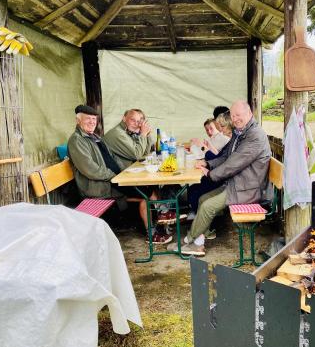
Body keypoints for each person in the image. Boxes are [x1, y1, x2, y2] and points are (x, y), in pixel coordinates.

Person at [172, 100, 272, 256]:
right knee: (202, 199)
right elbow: (225, 155)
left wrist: (210, 175)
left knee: (207, 206)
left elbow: (233, 164)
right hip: (237, 184)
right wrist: (206, 162)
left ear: (249, 113)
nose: (235, 119)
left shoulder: (255, 136)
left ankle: (189, 240)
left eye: (239, 115)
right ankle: (198, 243)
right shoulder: (241, 132)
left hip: (248, 190)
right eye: (233, 116)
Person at [68, 104, 172, 244]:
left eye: (94, 119)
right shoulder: (77, 140)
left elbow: (113, 158)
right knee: (145, 195)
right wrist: (115, 176)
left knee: (149, 188)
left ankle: (163, 217)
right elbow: (90, 170)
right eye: (88, 119)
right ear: (78, 120)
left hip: (112, 180)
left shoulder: (94, 137)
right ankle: (153, 232)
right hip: (99, 187)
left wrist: (124, 173)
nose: (92, 122)